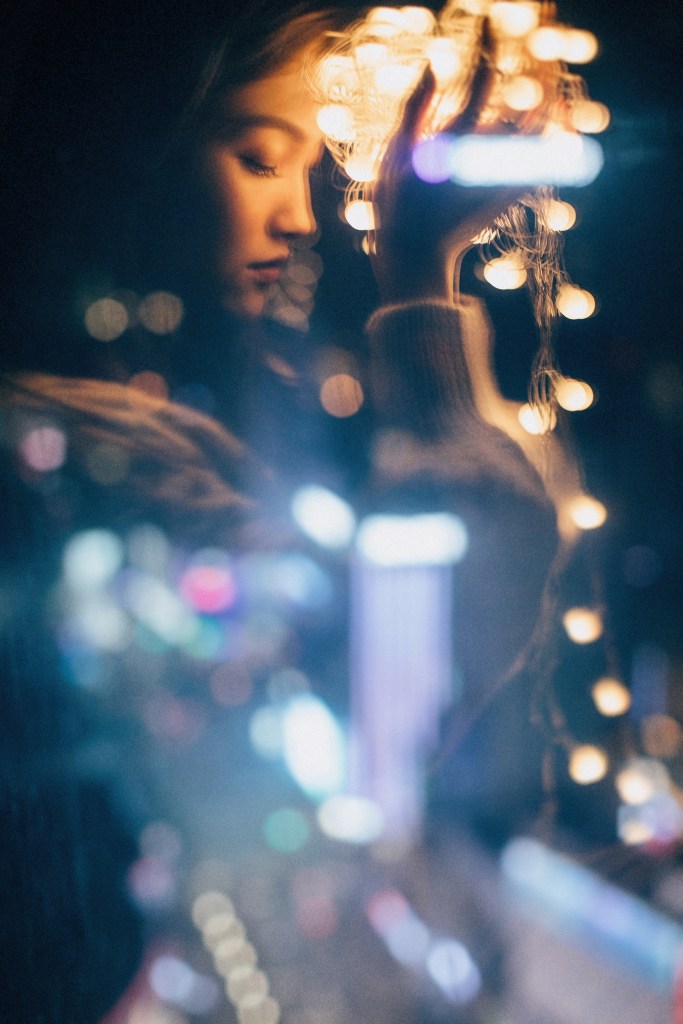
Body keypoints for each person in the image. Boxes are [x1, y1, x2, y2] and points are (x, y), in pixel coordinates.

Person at [0, 1, 562, 1019]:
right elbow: (401, 685)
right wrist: (417, 285)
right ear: (132, 149)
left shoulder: (120, 434)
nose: (301, 217)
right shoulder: (88, 460)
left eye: (309, 168)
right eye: (259, 157)